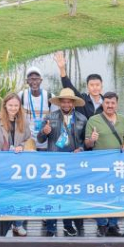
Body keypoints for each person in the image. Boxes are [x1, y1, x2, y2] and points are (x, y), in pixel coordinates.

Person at [38, 88, 88, 237]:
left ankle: (68, 224)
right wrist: (44, 132)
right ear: (60, 102)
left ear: (73, 103)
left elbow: (85, 142)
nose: (66, 104)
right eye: (63, 101)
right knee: (52, 193)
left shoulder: (82, 119)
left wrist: (81, 148)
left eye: (69, 101)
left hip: (73, 162)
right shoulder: (49, 117)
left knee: (69, 194)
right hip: (54, 161)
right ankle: (51, 227)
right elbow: (40, 140)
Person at [83, 91, 124, 237]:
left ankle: (113, 225)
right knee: (100, 194)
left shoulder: (123, 120)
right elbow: (87, 144)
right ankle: (101, 224)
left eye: (113, 103)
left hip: (117, 165)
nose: (110, 106)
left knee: (116, 194)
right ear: (103, 103)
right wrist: (92, 139)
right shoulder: (93, 120)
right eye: (107, 103)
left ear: (117, 104)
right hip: (99, 164)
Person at [0, 94, 31, 237]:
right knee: (3, 196)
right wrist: (2, 157)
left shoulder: (24, 122)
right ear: (5, 105)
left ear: (19, 107)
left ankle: (18, 224)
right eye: (10, 105)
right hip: (2, 165)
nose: (13, 108)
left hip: (19, 165)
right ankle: (4, 229)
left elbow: (29, 140)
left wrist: (22, 147)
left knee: (19, 195)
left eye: (16, 105)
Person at [55, 51, 105, 119]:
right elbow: (69, 87)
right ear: (87, 87)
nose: (95, 88)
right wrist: (62, 69)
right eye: (92, 85)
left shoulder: (106, 101)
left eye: (97, 85)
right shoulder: (82, 100)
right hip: (82, 129)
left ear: (102, 85)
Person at [19, 66, 53, 150]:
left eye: (36, 79)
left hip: (45, 142)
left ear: (41, 80)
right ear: (27, 81)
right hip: (27, 141)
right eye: (31, 79)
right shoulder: (21, 96)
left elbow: (56, 118)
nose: (34, 82)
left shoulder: (50, 97)